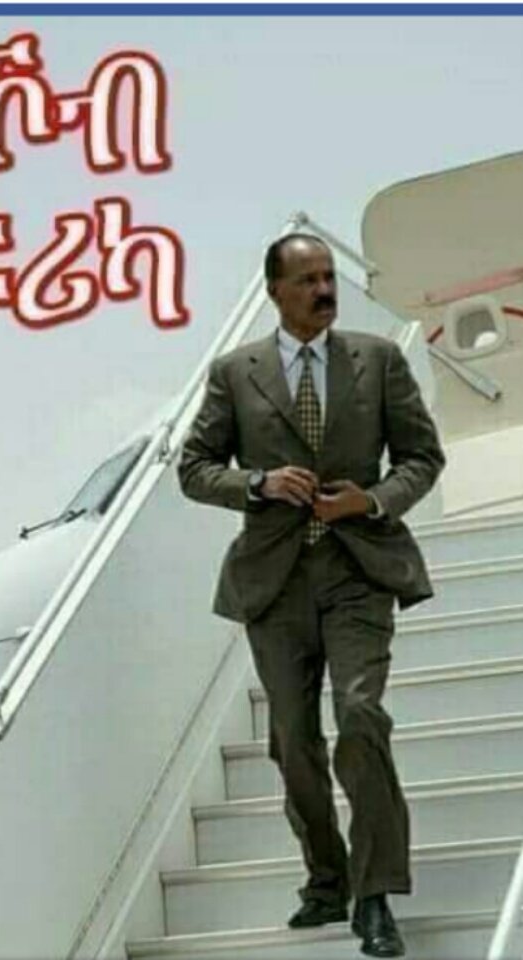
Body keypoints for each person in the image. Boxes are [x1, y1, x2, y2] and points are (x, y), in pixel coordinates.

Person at [177, 233, 446, 958]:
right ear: (275, 290)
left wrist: (371, 500)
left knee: (360, 716)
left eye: (328, 277)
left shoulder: (378, 360)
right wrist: (257, 483)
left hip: (360, 571)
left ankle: (374, 895)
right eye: (307, 280)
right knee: (293, 742)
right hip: (275, 582)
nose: (324, 290)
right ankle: (326, 876)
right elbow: (194, 468)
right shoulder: (234, 374)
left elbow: (422, 457)